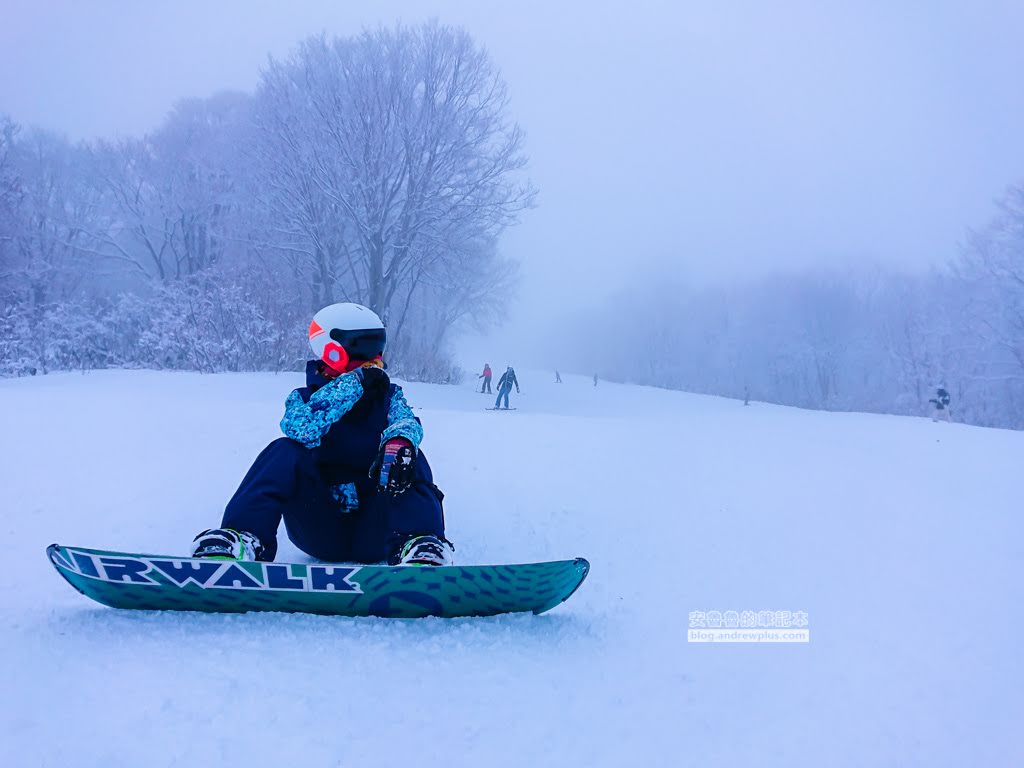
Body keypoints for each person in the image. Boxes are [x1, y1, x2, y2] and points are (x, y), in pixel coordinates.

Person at [191, 302, 454, 567]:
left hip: (378, 530)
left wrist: (399, 441)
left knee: (407, 455)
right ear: (331, 350)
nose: (373, 357)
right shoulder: (304, 399)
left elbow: (406, 421)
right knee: (283, 449)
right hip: (318, 526)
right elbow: (302, 429)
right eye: (363, 347)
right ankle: (242, 538)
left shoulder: (389, 396)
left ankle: (419, 544)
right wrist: (352, 384)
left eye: (378, 346)